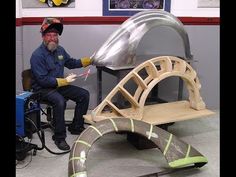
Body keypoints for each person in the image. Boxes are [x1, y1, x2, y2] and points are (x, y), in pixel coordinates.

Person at [30, 17, 93, 151]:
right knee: (59, 101)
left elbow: (71, 63)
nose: (52, 38)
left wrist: (89, 60)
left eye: (55, 35)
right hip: (42, 89)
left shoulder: (60, 50)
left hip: (58, 86)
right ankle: (59, 137)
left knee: (84, 94)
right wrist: (64, 81)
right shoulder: (37, 55)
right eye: (49, 35)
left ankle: (76, 126)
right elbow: (42, 80)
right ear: (43, 36)